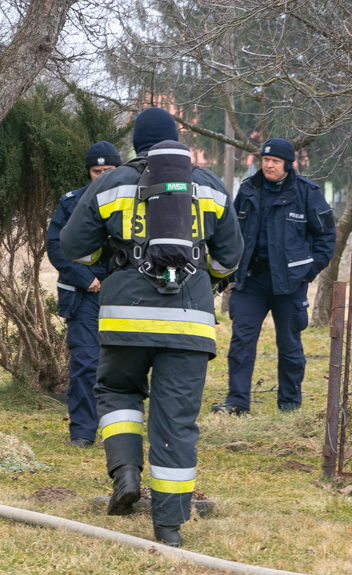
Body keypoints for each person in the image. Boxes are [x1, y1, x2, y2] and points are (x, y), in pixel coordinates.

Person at [60, 107, 243, 547]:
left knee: (118, 391)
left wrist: (112, 265)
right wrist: (204, 279)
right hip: (190, 323)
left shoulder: (112, 182)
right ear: (177, 140)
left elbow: (73, 246)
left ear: (136, 145)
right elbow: (230, 256)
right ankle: (169, 527)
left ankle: (125, 472)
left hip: (125, 319)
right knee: (176, 422)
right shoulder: (210, 185)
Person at [211, 138, 336, 416]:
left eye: (275, 161)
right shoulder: (248, 189)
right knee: (241, 342)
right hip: (250, 281)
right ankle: (237, 403)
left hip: (289, 284)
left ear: (288, 165)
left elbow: (326, 236)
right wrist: (228, 272)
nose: (268, 165)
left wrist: (309, 272)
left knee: (289, 345)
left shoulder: (307, 193)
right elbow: (230, 231)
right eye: (265, 160)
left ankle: (289, 405)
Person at [46, 141, 122, 447]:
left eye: (108, 170)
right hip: (83, 294)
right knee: (86, 362)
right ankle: (81, 432)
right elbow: (56, 246)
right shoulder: (70, 203)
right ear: (88, 172)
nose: (102, 176)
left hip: (123, 293)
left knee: (122, 364)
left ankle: (119, 429)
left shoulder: (135, 200)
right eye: (96, 171)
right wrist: (86, 279)